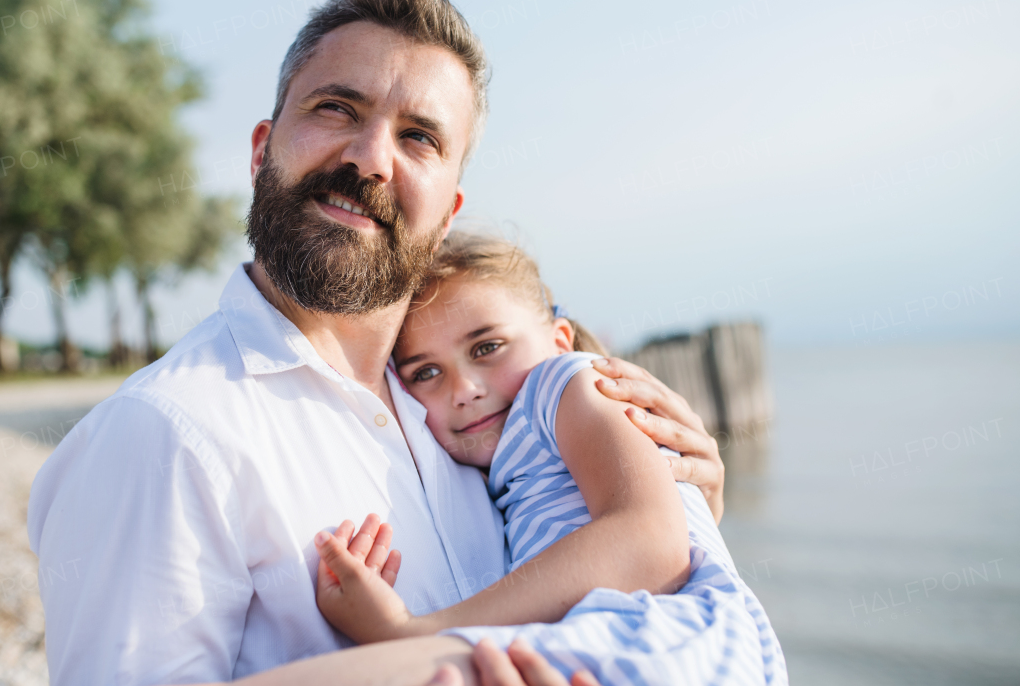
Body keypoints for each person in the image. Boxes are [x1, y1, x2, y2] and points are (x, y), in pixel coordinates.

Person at [27, 0, 727, 686]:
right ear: (261, 149)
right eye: (337, 107)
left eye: (419, 136)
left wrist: (687, 511)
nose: (370, 158)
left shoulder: (468, 415)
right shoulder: (165, 434)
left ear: (448, 212)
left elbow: (616, 564)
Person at [303, 232, 789, 685]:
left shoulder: (561, 383)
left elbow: (650, 542)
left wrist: (412, 631)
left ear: (559, 340)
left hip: (660, 637)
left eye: (488, 347)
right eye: (426, 372)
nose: (465, 390)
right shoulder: (509, 462)